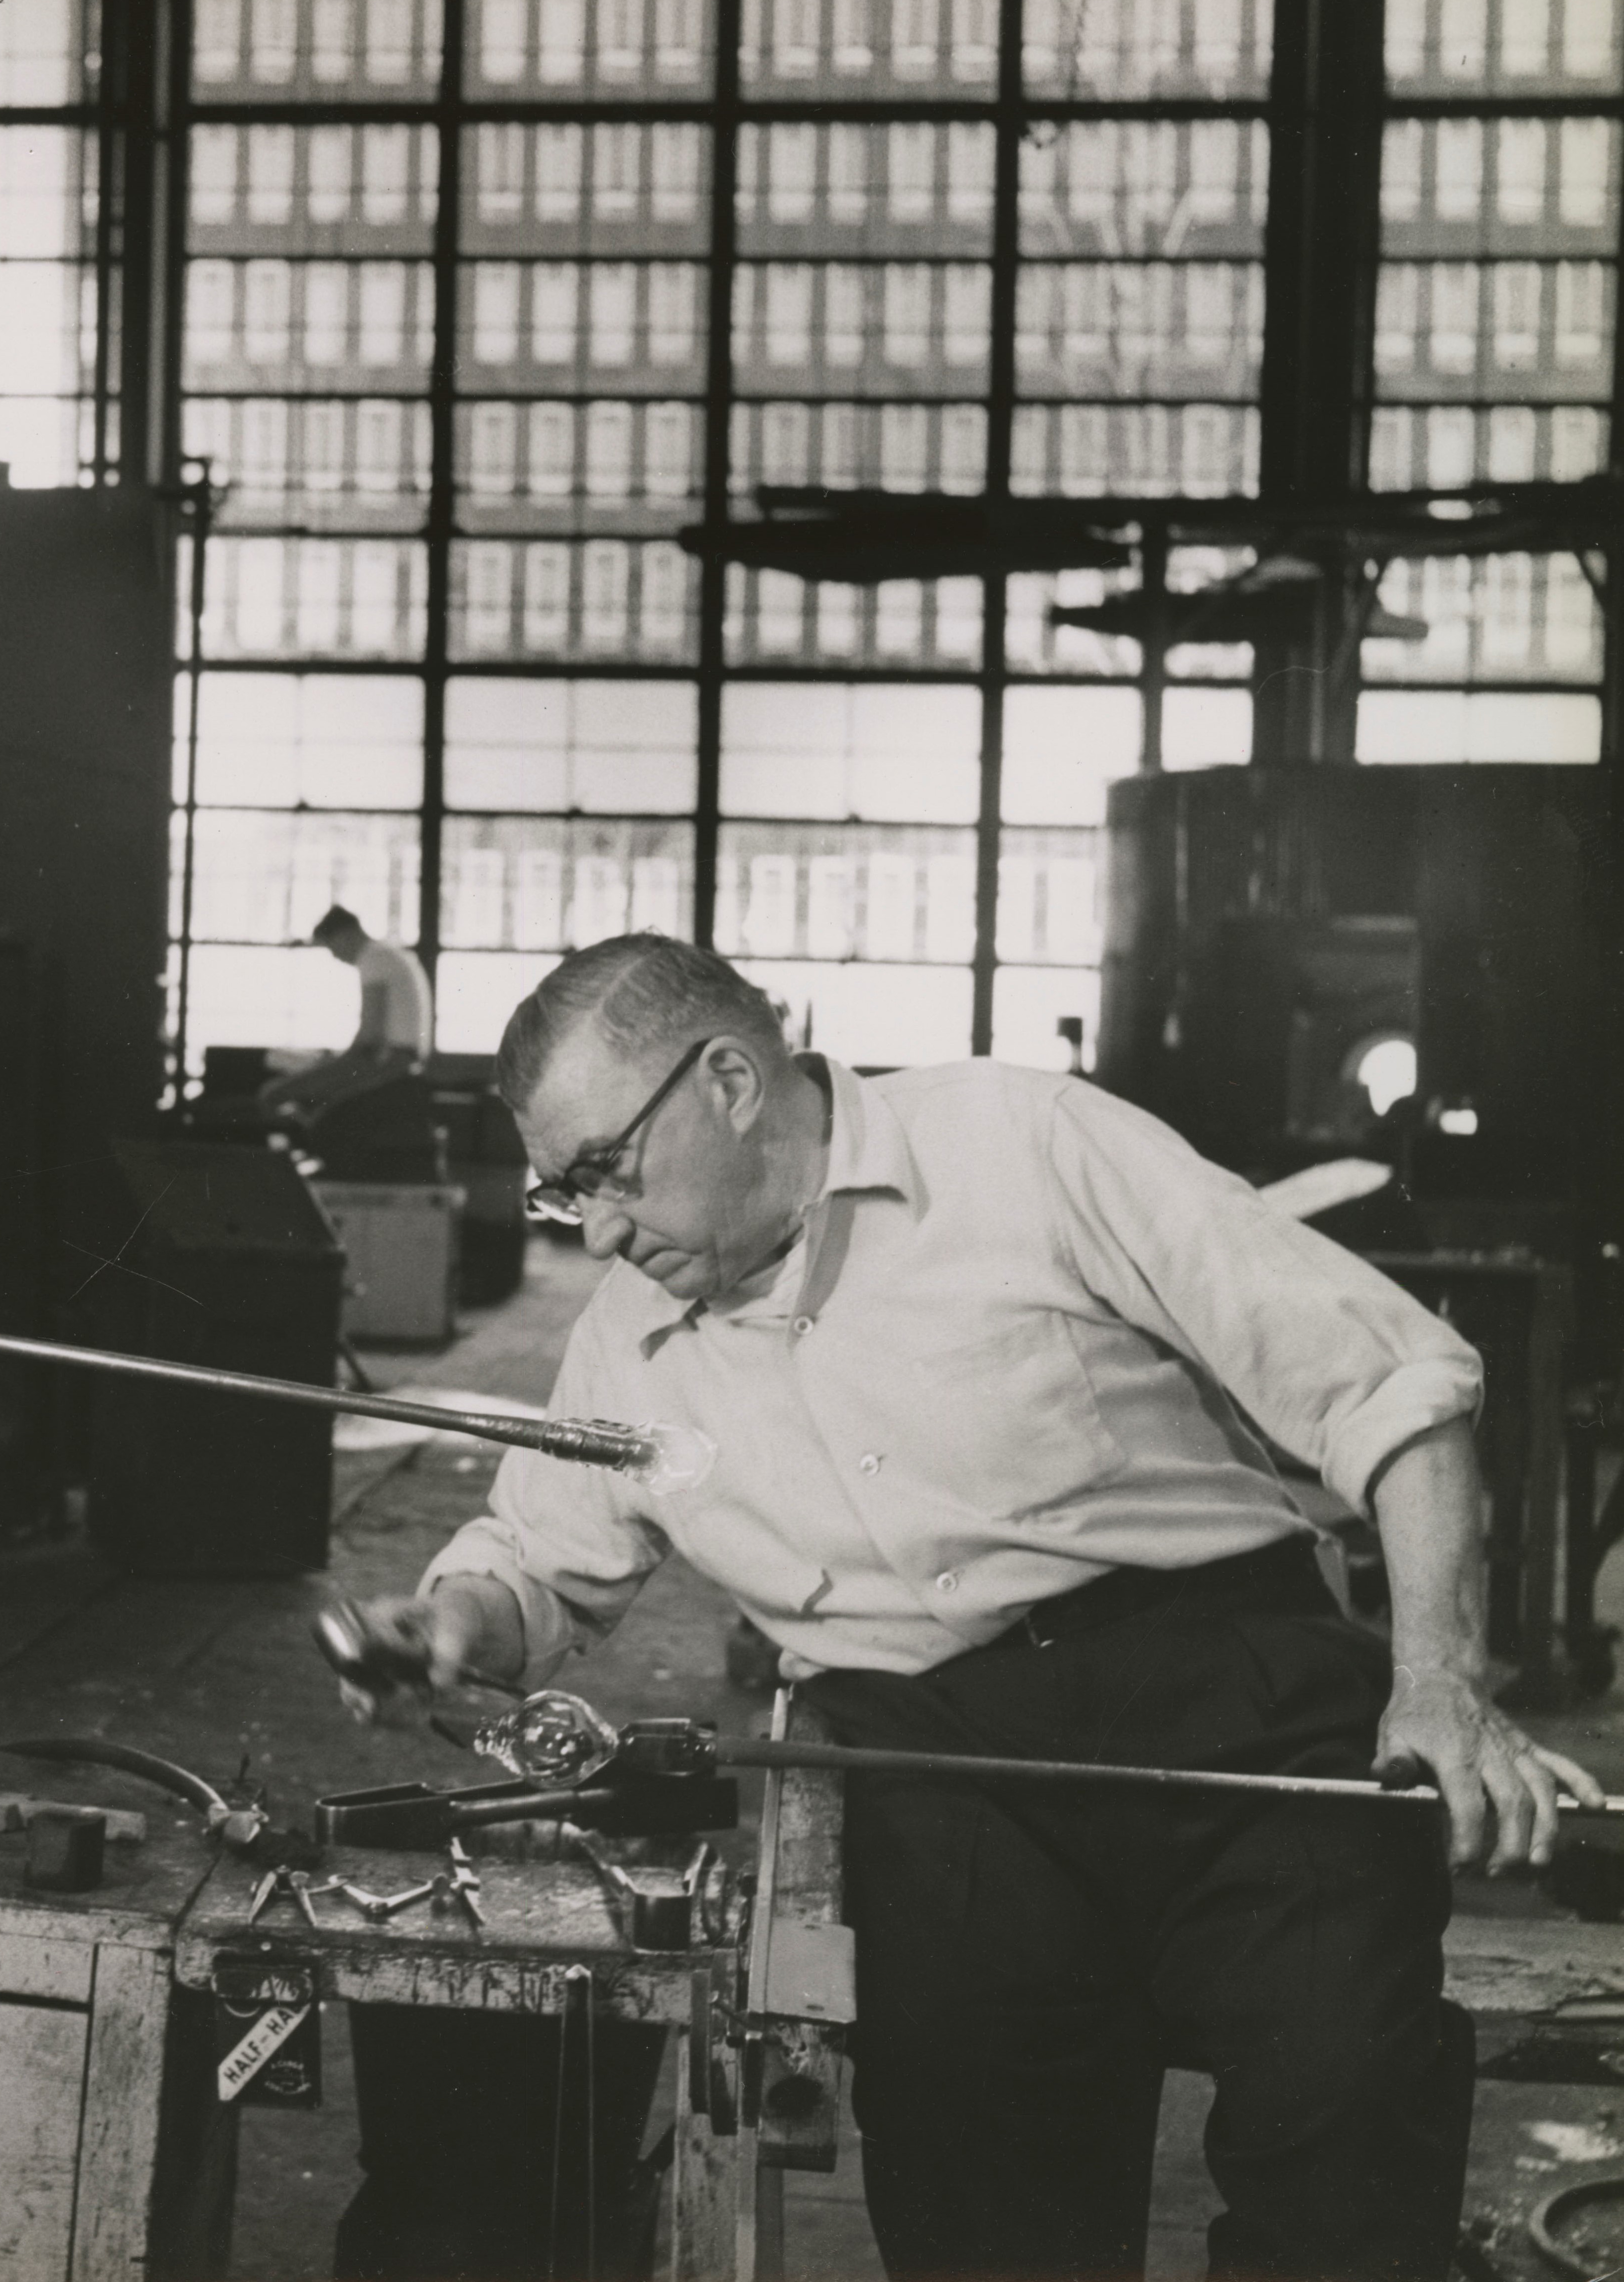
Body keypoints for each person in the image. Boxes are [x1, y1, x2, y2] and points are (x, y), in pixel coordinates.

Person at [337, 933, 1599, 2282]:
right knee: (984, 2214)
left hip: (1226, 1689)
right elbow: (538, 1555)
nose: (594, 1227)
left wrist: (1440, 1687)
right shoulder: (627, 1333)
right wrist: (455, 1623)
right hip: (939, 1770)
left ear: (729, 1083)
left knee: (1345, 2132)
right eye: (560, 1192)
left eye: (605, 1171)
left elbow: (1387, 1388)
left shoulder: (1018, 1142)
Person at [263, 904, 433, 1120]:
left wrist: (332, 1064)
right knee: (308, 1085)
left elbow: (370, 1037)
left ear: (346, 935)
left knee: (274, 1093)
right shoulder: (386, 954)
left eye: (331, 947)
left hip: (391, 1063)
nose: (335, 956)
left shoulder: (374, 958)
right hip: (399, 1060)